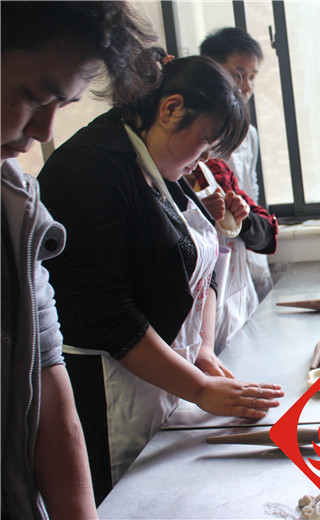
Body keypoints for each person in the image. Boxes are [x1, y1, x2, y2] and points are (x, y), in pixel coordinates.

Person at [37, 55, 284, 502]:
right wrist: (199, 387)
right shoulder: (90, 170)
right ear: (171, 109)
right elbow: (109, 316)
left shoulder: (159, 159)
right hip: (111, 389)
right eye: (204, 143)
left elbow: (202, 265)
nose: (202, 162)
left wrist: (203, 350)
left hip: (164, 378)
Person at [1, 2, 162, 517]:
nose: (43, 130)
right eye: (31, 95)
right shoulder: (91, 169)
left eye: (61, 104)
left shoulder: (16, 208)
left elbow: (48, 381)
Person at [198, 27, 278, 350]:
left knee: (255, 344)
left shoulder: (249, 135)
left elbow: (251, 193)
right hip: (211, 257)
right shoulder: (197, 133)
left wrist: (253, 228)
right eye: (237, 74)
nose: (245, 87)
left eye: (251, 78)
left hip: (247, 252)